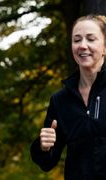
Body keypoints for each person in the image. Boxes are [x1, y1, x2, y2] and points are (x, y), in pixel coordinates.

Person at [30, 15, 106, 179]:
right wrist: (43, 146)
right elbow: (47, 162)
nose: (83, 46)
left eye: (91, 39)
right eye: (76, 40)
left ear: (105, 47)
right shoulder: (60, 100)